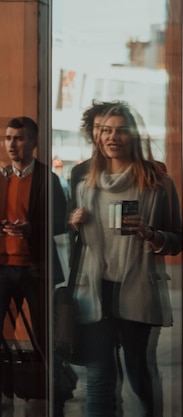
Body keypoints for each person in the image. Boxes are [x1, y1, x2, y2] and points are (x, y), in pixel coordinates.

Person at [68, 103, 183, 417]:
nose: (112, 137)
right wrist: (73, 223)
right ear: (98, 136)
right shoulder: (84, 186)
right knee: (99, 377)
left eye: (120, 130)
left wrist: (151, 235)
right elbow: (78, 246)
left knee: (139, 373)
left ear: (133, 136)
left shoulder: (159, 185)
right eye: (106, 130)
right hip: (95, 293)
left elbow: (176, 241)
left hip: (138, 292)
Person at [0, 116, 67, 411]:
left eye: (19, 138)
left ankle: (48, 386)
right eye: (8, 138)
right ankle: (7, 386)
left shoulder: (46, 178)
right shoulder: (1, 177)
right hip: (3, 267)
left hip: (36, 267)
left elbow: (60, 221)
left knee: (42, 332)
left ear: (34, 143)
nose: (12, 144)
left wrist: (32, 228)